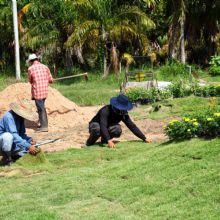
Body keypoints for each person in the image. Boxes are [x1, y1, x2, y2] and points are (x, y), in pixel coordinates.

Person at [86, 94, 152, 148]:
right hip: (96, 124)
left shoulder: (122, 113)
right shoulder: (105, 110)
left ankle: (104, 140)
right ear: (116, 105)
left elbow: (132, 126)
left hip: (108, 126)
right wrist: (109, 140)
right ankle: (89, 143)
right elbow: (103, 125)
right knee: (97, 129)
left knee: (117, 129)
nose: (122, 110)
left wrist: (144, 138)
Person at [0, 100, 39, 166]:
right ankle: (7, 159)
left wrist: (29, 140)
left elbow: (21, 134)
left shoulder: (20, 118)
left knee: (30, 148)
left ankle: (13, 155)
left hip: (12, 144)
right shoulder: (8, 117)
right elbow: (14, 135)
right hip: (2, 144)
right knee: (8, 136)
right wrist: (28, 146)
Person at [27, 53, 54, 132]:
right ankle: (43, 124)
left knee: (41, 108)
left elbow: (30, 81)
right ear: (37, 59)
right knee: (41, 107)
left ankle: (44, 127)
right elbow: (51, 80)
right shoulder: (45, 67)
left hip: (37, 92)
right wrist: (50, 80)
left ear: (31, 61)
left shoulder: (30, 69)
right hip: (44, 91)